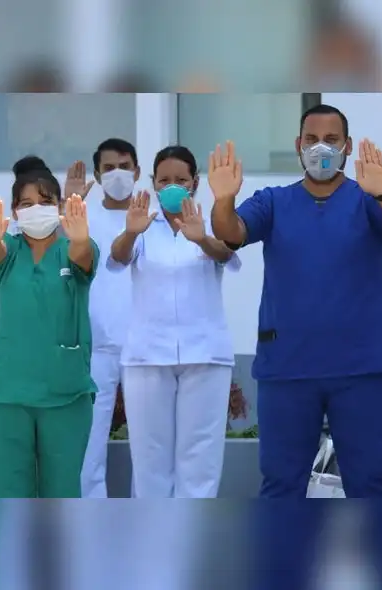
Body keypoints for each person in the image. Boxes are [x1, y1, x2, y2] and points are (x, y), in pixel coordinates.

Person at [209, 104, 382, 498]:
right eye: (312, 139)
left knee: (371, 483)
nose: (320, 147)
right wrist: (223, 200)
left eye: (331, 140)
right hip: (288, 368)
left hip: (360, 369)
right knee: (281, 483)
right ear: (298, 145)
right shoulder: (272, 201)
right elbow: (230, 233)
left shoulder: (367, 200)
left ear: (347, 146)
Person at [111, 145, 240, 498]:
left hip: (206, 356)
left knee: (200, 459)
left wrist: (202, 238)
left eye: (180, 179)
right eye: (164, 179)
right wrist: (131, 232)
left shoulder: (212, 223)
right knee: (150, 460)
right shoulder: (143, 226)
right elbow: (118, 258)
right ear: (153, 183)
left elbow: (227, 255)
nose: (172, 185)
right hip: (147, 357)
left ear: (195, 182)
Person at [0, 169, 100, 498]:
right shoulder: (7, 250)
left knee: (61, 493)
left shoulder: (73, 248)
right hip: (4, 397)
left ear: (59, 206)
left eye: (45, 201)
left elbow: (83, 258)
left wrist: (81, 238)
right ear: (15, 210)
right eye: (26, 203)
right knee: (6, 494)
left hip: (65, 395)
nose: (36, 209)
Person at [63, 138, 140, 498]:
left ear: (138, 171)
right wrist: (67, 207)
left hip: (145, 351)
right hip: (95, 348)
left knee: (149, 452)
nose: (118, 174)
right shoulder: (82, 220)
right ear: (97, 174)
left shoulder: (150, 219)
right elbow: (55, 259)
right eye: (109, 168)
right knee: (88, 451)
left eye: (125, 165)